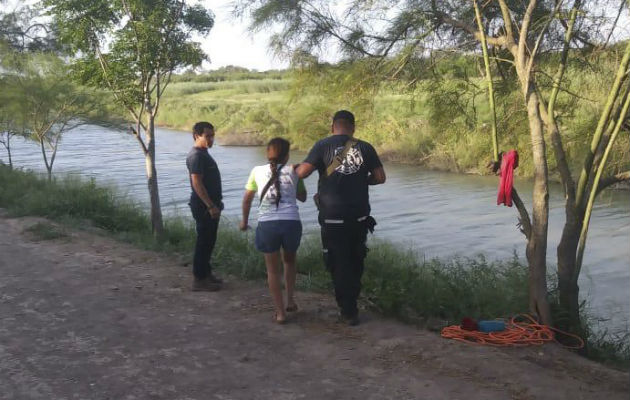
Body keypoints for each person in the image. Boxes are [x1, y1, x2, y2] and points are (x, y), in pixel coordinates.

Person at [296, 110, 386, 325]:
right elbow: (380, 178)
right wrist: (363, 181)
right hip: (358, 216)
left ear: (332, 126)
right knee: (356, 258)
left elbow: (301, 173)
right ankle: (351, 305)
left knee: (337, 261)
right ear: (353, 127)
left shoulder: (321, 146)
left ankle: (346, 310)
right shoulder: (365, 147)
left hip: (332, 217)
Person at [240, 138, 307, 324]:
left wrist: (244, 222)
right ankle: (291, 300)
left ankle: (280, 313)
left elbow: (247, 199)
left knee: (272, 270)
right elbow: (303, 198)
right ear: (287, 156)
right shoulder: (294, 171)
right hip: (291, 223)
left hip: (267, 224)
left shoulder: (256, 171)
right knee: (290, 261)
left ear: (266, 154)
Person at [186, 121, 224, 291]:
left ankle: (206, 273)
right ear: (197, 136)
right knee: (204, 241)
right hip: (203, 207)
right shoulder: (196, 156)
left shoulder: (203, 153)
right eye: (207, 136)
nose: (211, 139)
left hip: (211, 205)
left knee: (209, 240)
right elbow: (197, 183)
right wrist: (210, 206)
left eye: (212, 135)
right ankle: (199, 279)